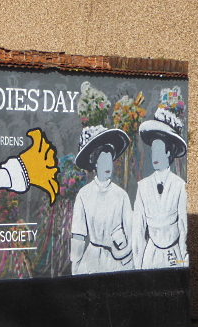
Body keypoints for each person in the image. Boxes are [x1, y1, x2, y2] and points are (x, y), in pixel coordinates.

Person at [70, 125, 133, 275]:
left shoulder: (121, 195)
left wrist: (126, 255)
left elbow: (131, 233)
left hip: (118, 260)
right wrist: (75, 266)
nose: (108, 165)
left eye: (110, 159)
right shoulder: (84, 195)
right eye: (103, 159)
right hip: (91, 260)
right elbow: (78, 236)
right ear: (95, 163)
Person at [132, 107, 188, 269]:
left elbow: (184, 230)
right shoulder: (143, 187)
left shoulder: (180, 186)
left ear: (168, 152)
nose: (154, 155)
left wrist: (183, 262)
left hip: (174, 257)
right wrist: (139, 269)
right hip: (150, 257)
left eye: (159, 150)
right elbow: (138, 232)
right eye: (153, 150)